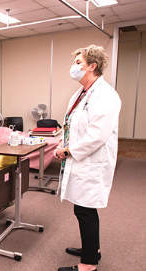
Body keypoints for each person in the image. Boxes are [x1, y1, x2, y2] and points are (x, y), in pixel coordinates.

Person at [54, 45, 121, 271]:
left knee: (85, 209)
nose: (74, 67)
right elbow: (74, 125)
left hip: (92, 162)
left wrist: (69, 150)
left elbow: (97, 134)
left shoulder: (105, 94)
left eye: (78, 63)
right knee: (82, 208)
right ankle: (94, 249)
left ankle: (89, 264)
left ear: (92, 66)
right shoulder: (82, 93)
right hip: (81, 159)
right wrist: (64, 143)